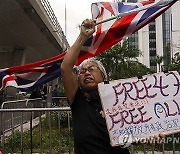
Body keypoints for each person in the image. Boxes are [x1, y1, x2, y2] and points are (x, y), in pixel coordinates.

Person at [61, 19, 130, 154]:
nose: (87, 72)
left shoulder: (118, 99)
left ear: (104, 77)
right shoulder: (78, 100)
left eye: (92, 69)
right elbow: (65, 68)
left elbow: (132, 133)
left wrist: (149, 136)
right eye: (82, 71)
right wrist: (83, 36)